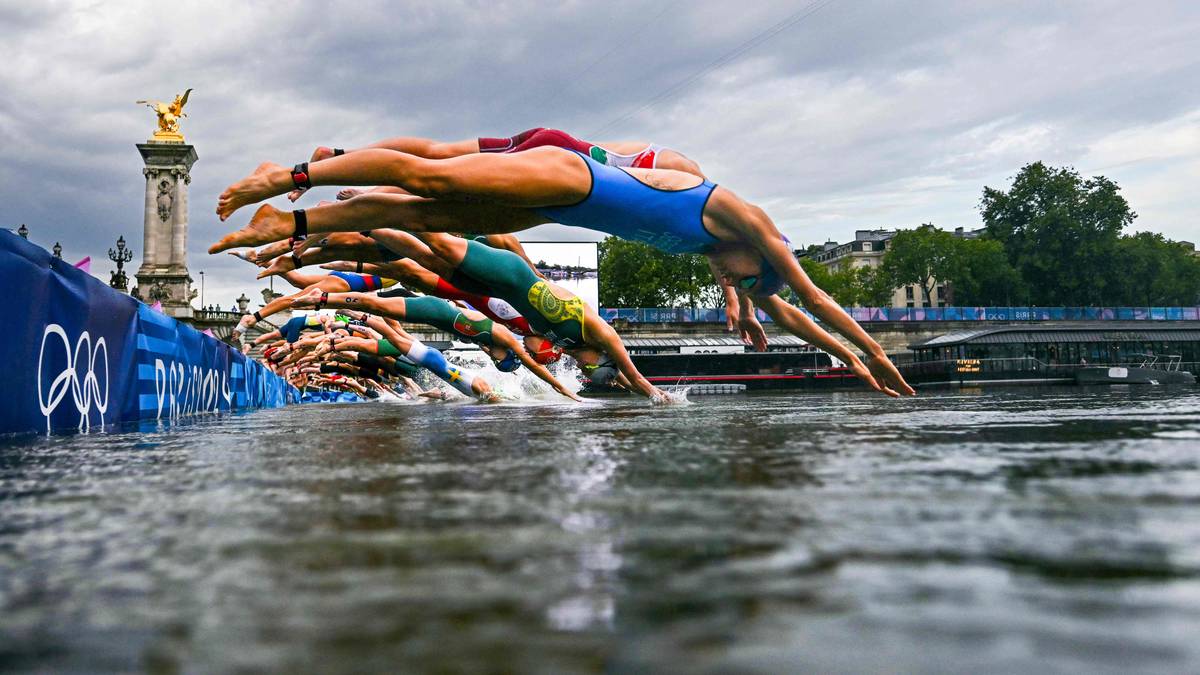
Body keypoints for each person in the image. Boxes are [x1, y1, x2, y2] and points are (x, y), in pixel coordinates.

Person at [211, 146, 914, 397]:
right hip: (570, 173)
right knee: (427, 177)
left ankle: (295, 227)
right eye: (748, 280)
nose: (734, 283)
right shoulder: (744, 218)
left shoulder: (726, 258)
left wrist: (851, 364)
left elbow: (792, 313)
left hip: (558, 207)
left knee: (428, 216)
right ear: (762, 254)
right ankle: (290, 178)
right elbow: (814, 294)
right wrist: (876, 352)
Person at [289, 288, 582, 402]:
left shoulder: (492, 344)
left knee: (393, 334)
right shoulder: (505, 338)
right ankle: (333, 301)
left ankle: (346, 312)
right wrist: (563, 390)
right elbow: (530, 364)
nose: (495, 361)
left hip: (442, 332)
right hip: (439, 315)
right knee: (390, 329)